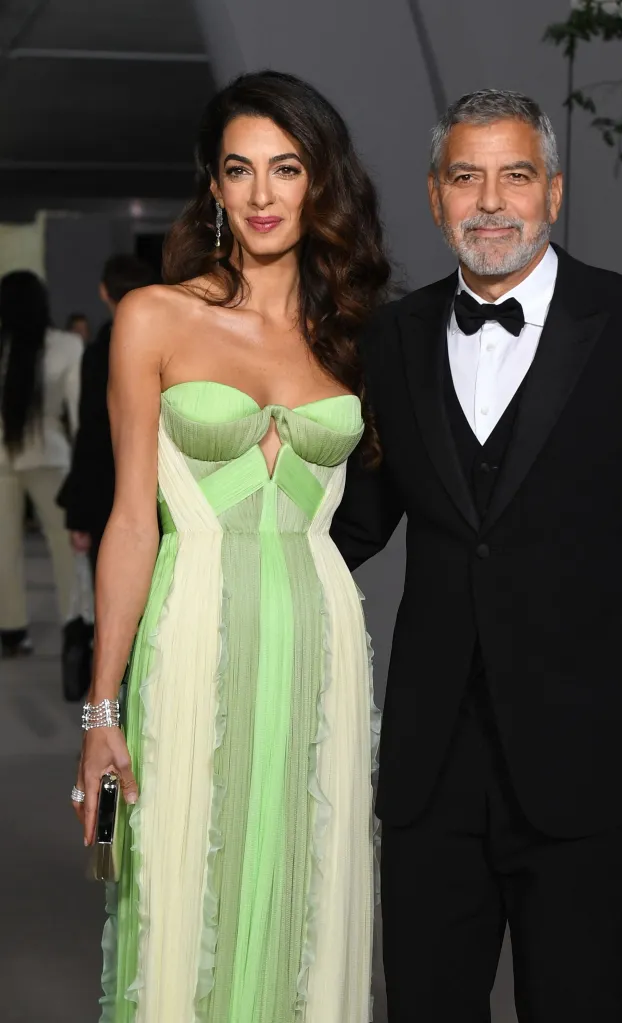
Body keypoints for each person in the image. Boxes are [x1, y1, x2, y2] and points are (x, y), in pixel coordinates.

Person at [331, 89, 622, 1023]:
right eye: (467, 177)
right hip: (429, 763)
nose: (491, 201)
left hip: (595, 754)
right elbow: (357, 524)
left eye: (516, 176)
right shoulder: (391, 338)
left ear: (555, 192)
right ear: (435, 195)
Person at [73, 70, 389, 1021]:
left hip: (321, 643)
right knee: (182, 897)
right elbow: (133, 520)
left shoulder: (356, 335)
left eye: (285, 169)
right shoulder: (156, 317)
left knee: (308, 888)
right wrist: (101, 711)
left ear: (318, 181)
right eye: (238, 170)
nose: (261, 194)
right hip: (193, 633)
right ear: (212, 188)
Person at [0, 271, 83, 657]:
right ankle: (74, 623)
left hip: (2, 457)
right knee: (66, 545)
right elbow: (78, 411)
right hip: (50, 455)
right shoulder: (67, 346)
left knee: (4, 549)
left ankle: (12, 630)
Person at [58, 254, 157, 572]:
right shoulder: (166, 344)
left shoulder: (100, 352)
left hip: (106, 486)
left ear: (104, 292)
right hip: (159, 482)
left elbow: (90, 430)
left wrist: (78, 512)